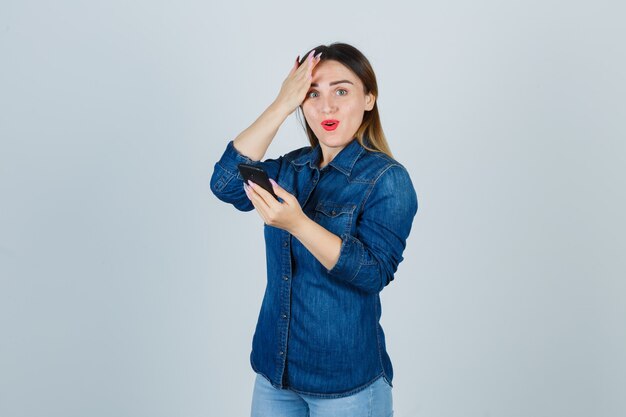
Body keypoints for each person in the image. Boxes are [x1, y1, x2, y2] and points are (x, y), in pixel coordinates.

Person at [210, 42, 418, 417]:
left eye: (341, 90)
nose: (327, 107)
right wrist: (280, 104)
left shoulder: (388, 179)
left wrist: (299, 224)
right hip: (276, 375)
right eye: (311, 94)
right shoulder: (292, 168)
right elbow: (224, 183)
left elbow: (372, 273)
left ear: (369, 97)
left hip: (345, 385)